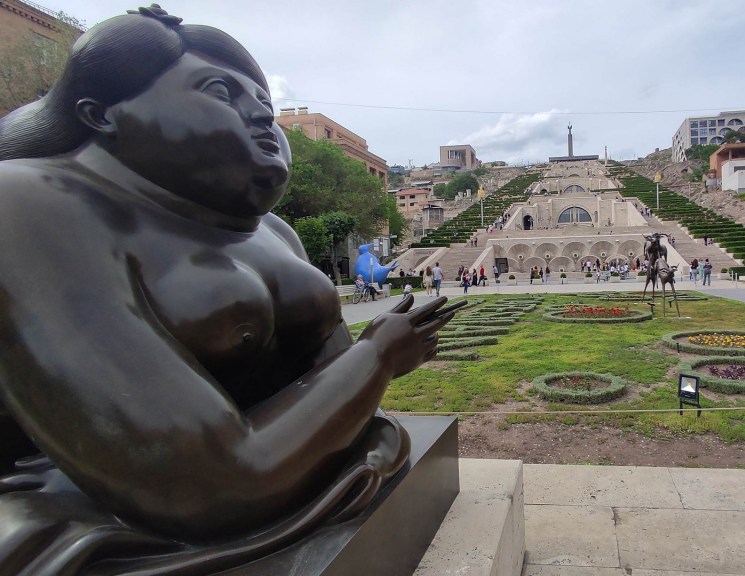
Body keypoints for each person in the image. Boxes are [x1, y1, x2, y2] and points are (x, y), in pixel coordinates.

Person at [0, 6, 458, 574]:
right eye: (220, 91)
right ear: (101, 114)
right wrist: (378, 356)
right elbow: (203, 484)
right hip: (151, 490)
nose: (263, 116)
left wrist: (360, 371)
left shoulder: (273, 231)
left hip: (264, 476)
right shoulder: (30, 206)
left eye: (265, 103)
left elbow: (349, 408)